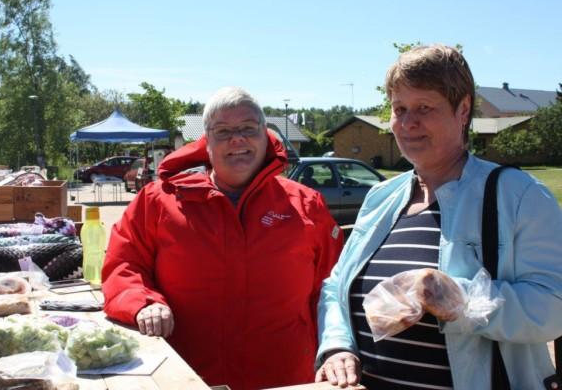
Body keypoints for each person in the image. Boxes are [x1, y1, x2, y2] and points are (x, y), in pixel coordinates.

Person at [314, 44, 562, 389]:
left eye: (424, 107)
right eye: (399, 109)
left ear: (463, 110)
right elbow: (335, 287)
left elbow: (553, 307)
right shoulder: (380, 197)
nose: (408, 123)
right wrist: (337, 346)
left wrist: (459, 300)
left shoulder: (518, 196)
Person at [102, 87, 343, 390]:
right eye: (223, 130)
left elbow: (333, 288)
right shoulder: (159, 200)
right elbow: (124, 263)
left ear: (265, 134)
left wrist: (336, 348)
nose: (237, 139)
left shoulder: (306, 205)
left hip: (286, 378)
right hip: (187, 377)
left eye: (247, 128)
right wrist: (143, 303)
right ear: (206, 142)